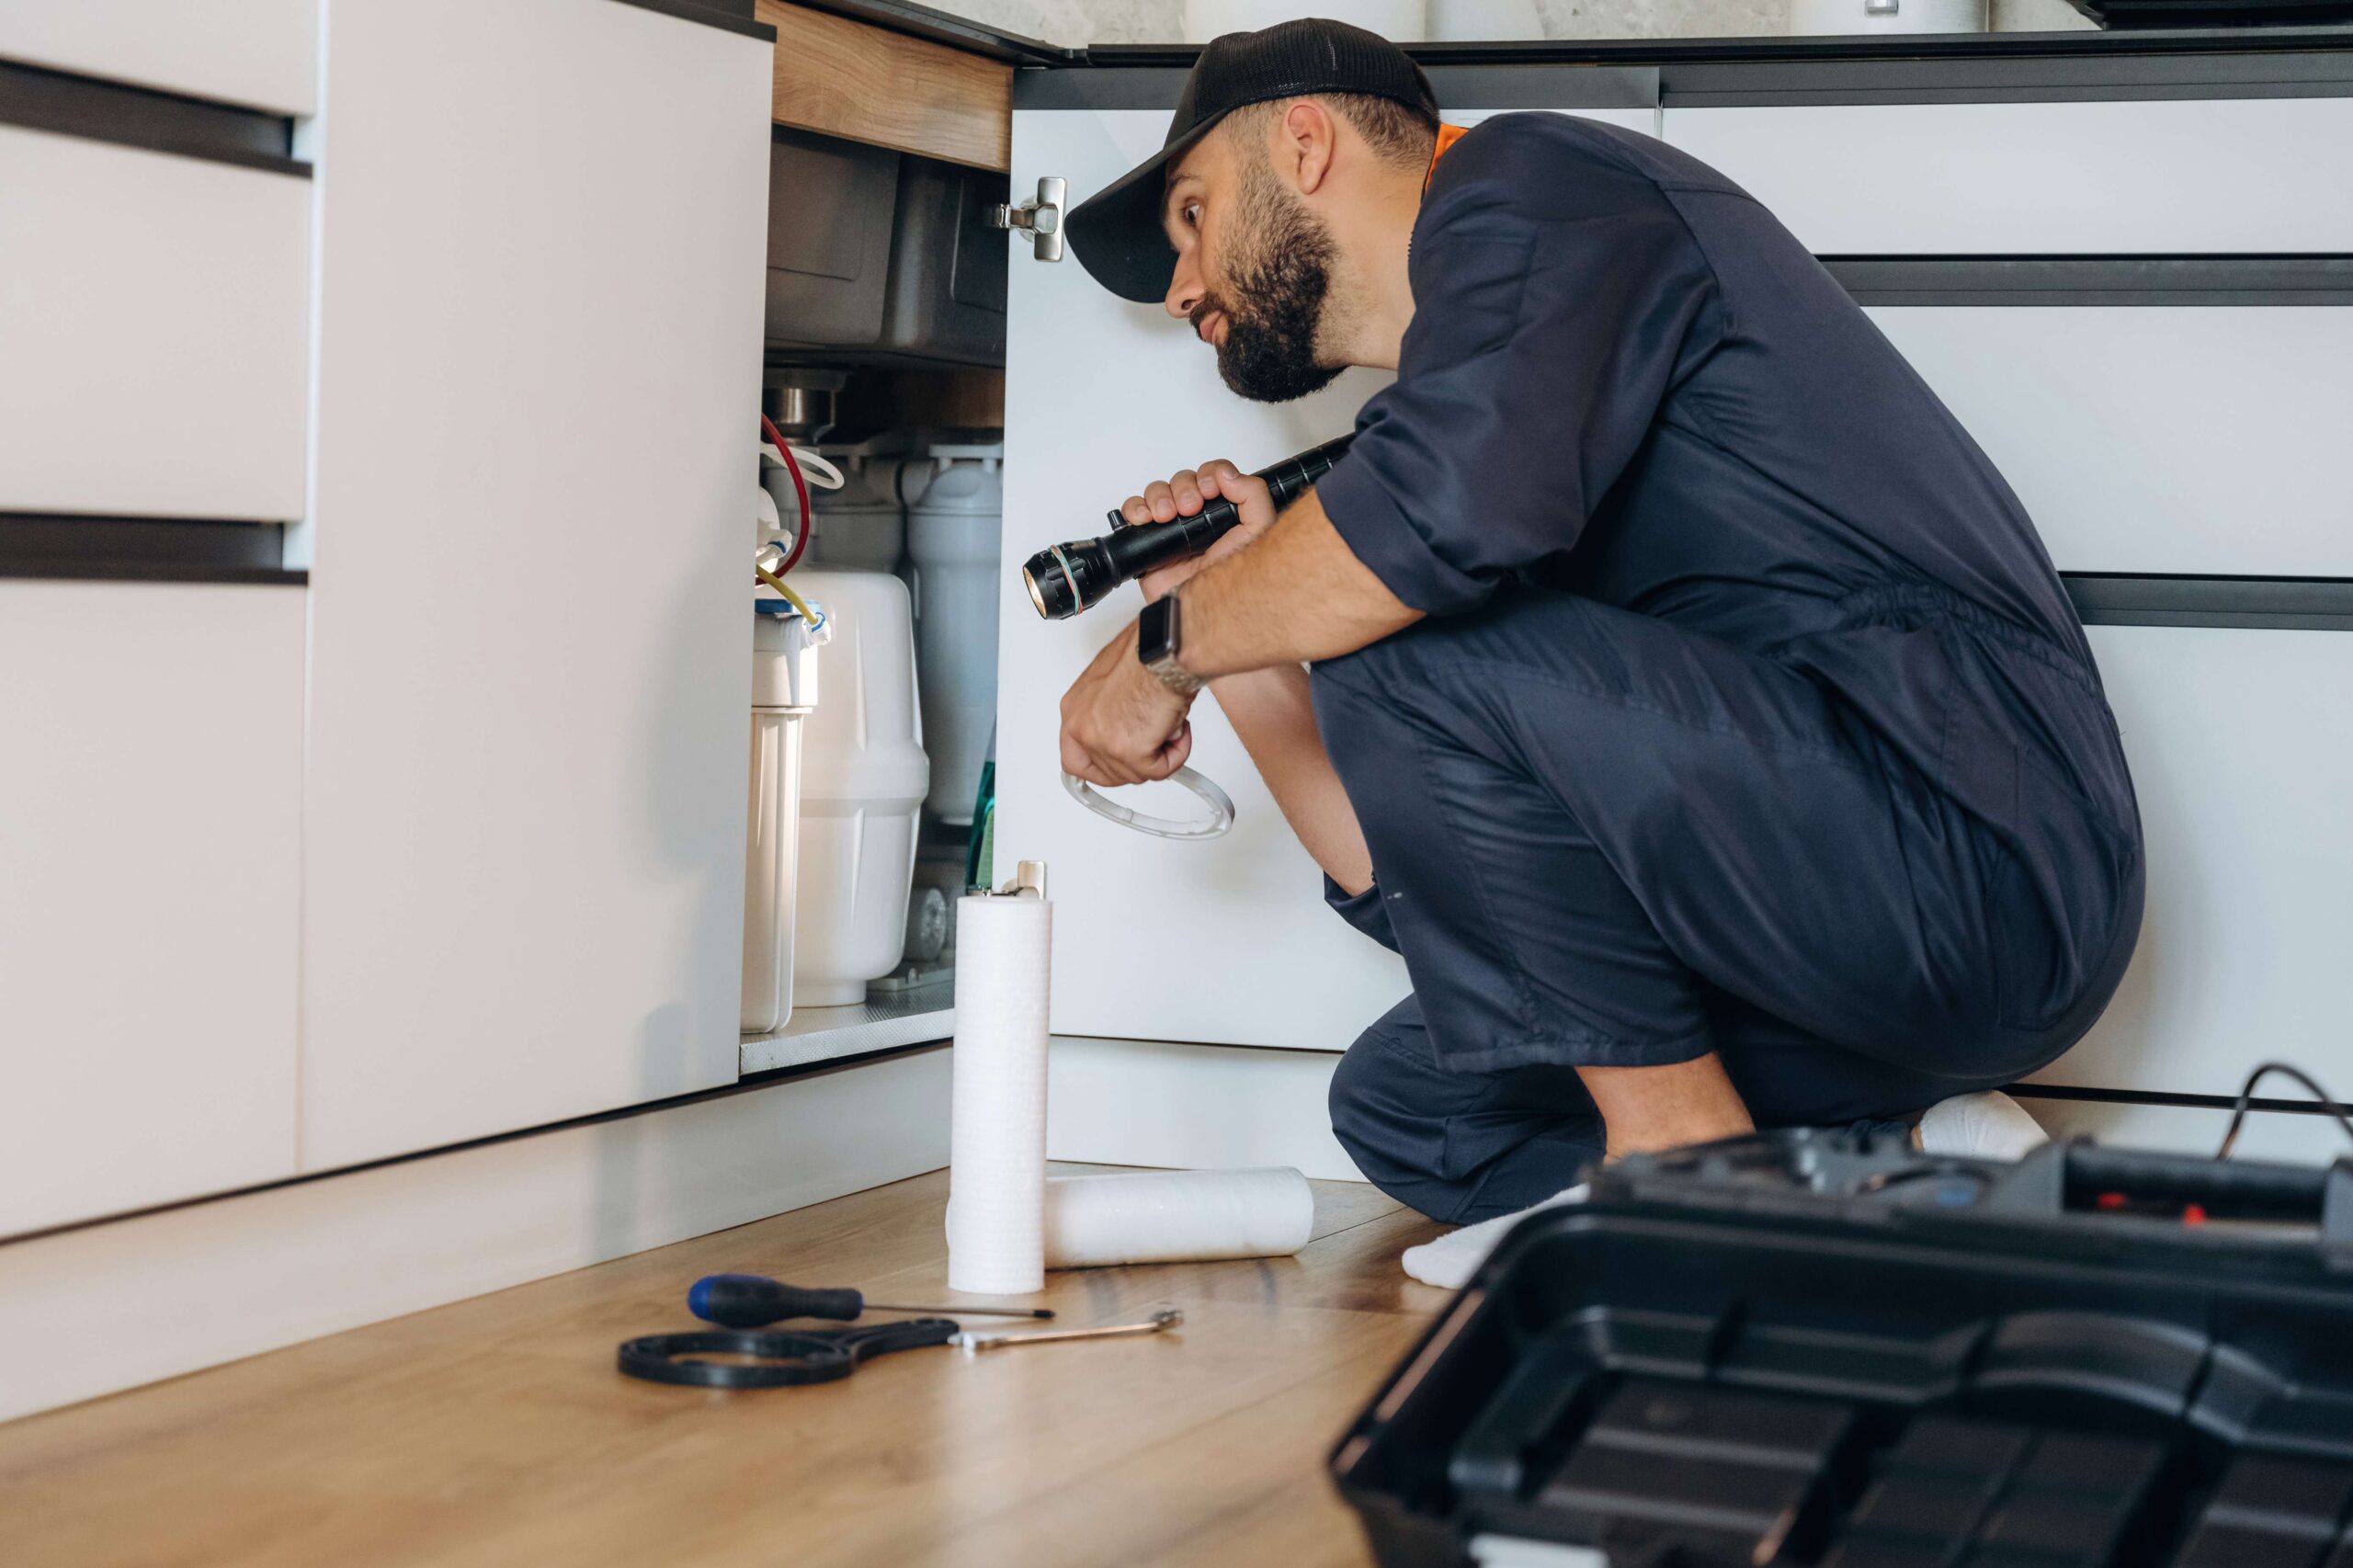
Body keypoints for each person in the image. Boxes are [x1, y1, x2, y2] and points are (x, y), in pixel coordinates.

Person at [1055, 18, 2143, 1285]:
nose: (1181, 286)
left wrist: (1166, 646)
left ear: (1304, 143)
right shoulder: (1481, 435)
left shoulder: (1539, 188)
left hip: (1976, 858)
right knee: (1412, 1103)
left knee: (1391, 622)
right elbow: (1426, 879)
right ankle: (1905, 1161)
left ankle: (1684, 1173)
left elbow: (1408, 557)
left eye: (1191, 218)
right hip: (1840, 952)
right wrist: (1236, 622)